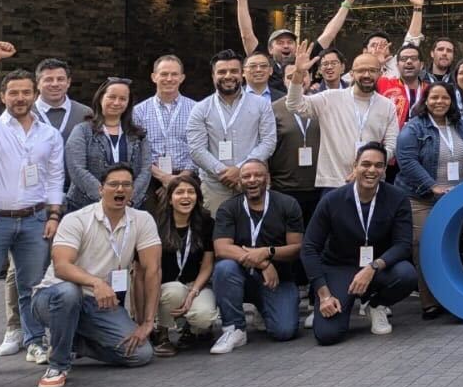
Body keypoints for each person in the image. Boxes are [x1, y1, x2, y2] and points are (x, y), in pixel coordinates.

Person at [0, 42, 65, 377]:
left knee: (31, 289)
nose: (21, 98)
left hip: (34, 220)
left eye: (26, 92)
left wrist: (54, 215)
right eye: (14, 93)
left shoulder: (49, 135)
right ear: (4, 96)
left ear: (33, 94)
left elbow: (55, 178)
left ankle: (35, 342)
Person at [29, 163, 159, 387]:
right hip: (52, 298)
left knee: (140, 353)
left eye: (126, 185)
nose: (120, 189)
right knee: (69, 292)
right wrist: (96, 282)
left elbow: (152, 270)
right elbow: (61, 267)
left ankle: (70, 342)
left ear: (133, 191)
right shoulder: (77, 219)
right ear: (101, 189)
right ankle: (58, 365)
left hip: (99, 305)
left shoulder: (142, 220)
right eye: (114, 184)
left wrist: (147, 322)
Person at [301, 143, 417, 344]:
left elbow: (403, 244)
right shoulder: (332, 199)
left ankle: (376, 304)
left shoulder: (397, 198)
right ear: (354, 166)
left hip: (378, 268)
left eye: (378, 166)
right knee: (327, 335)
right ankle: (337, 303)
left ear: (384, 169)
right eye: (366, 164)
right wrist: (324, 294)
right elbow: (309, 247)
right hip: (339, 267)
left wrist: (373, 267)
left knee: (406, 275)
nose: (372, 170)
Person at [394, 80, 463, 319]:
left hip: (454, 201)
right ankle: (429, 302)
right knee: (424, 248)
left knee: (452, 249)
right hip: (421, 198)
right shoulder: (414, 128)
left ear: (452, 101)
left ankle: (451, 296)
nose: (440, 102)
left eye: (445, 98)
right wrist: (432, 186)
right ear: (425, 101)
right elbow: (406, 161)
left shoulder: (461, 126)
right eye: (434, 98)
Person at [211, 159, 304, 351]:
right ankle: (234, 329)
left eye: (258, 175)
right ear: (240, 181)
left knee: (284, 331)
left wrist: (268, 252)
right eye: (246, 176)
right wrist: (263, 263)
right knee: (224, 268)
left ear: (268, 178)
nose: (252, 180)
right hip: (242, 276)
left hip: (278, 280)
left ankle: (265, 309)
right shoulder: (228, 208)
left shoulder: (288, 204)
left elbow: (296, 248)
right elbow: (222, 248)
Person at [285, 49, 400, 192]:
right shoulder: (330, 98)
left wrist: (368, 167)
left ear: (380, 73)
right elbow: (294, 105)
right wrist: (298, 73)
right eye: (361, 70)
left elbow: (391, 145)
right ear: (351, 74)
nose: (366, 75)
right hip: (333, 182)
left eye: (372, 70)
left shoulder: (387, 105)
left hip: (371, 183)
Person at [233, 0, 359, 97]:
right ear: (270, 49)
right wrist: (241, 0)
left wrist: (346, 4)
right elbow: (247, 35)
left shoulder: (306, 58)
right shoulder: (264, 63)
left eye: (290, 42)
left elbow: (329, 34)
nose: (286, 46)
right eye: (280, 43)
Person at [188, 49, 277, 213]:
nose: (228, 76)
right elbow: (196, 149)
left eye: (234, 71)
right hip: (215, 187)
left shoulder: (261, 105)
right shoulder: (200, 109)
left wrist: (241, 170)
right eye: (222, 71)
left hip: (254, 184)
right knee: (216, 234)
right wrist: (223, 173)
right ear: (213, 75)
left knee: (255, 233)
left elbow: (268, 142)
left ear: (242, 73)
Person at [149, 174, 219, 356]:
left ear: (198, 197)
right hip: (165, 287)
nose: (186, 197)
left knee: (203, 317)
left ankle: (192, 330)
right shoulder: (156, 225)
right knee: (174, 291)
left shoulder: (206, 223)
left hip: (196, 285)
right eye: (179, 192)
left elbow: (207, 264)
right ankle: (162, 334)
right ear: (170, 199)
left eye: (191, 192)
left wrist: (194, 291)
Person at [65, 78, 151, 210]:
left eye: (123, 99)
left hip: (129, 208)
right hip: (86, 207)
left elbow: (145, 170)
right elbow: (77, 168)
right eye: (112, 97)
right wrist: (105, 196)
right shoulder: (82, 130)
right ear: (100, 98)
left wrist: (128, 198)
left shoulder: (138, 135)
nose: (117, 102)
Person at [270, 61, 323, 230]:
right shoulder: (273, 109)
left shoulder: (323, 105)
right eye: (291, 77)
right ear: (284, 81)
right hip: (285, 187)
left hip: (319, 186)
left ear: (311, 77)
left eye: (303, 75)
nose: (298, 80)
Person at [135, 54, 198, 196]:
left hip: (188, 178)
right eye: (164, 74)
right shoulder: (138, 112)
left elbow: (200, 147)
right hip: (151, 180)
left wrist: (180, 179)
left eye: (174, 74)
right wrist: (164, 178)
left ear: (182, 78)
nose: (169, 79)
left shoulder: (197, 110)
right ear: (153, 77)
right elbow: (136, 151)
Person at [377, 44, 427, 128]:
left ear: (421, 65)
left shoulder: (430, 90)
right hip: (390, 139)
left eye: (414, 58)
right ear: (397, 66)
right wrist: (378, 64)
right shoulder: (383, 84)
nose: (409, 61)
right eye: (403, 59)